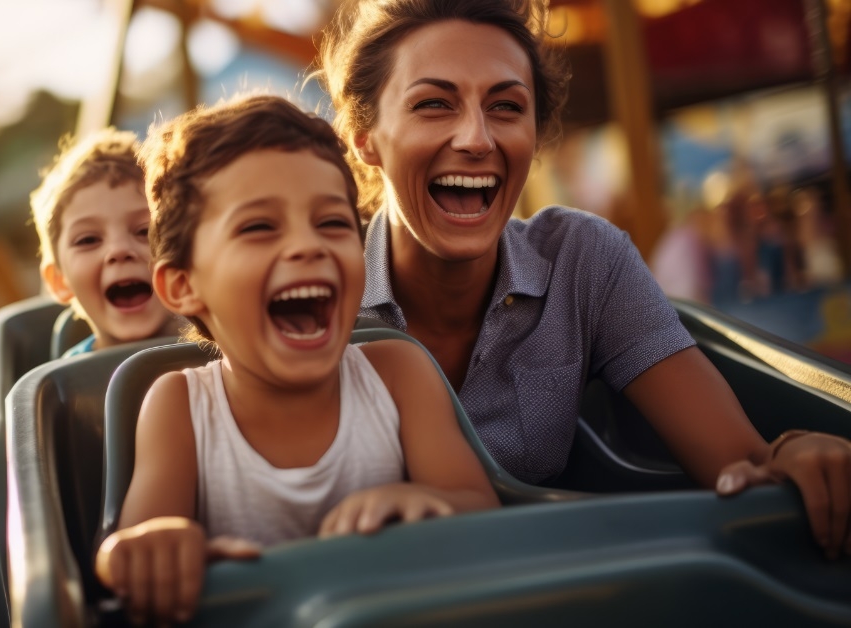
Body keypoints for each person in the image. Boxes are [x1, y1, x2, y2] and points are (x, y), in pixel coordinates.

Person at [316, 0, 851, 557]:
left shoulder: (582, 260)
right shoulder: (316, 289)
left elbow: (741, 462)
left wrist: (796, 454)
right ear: (363, 135)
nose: (477, 138)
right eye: (433, 104)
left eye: (506, 107)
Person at [93, 96, 500, 625]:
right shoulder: (179, 408)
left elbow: (484, 510)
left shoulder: (399, 373)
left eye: (331, 223)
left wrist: (424, 503)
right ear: (183, 285)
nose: (308, 246)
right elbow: (133, 555)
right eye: (259, 228)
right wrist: (146, 551)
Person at [30, 128, 179, 357]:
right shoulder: (68, 378)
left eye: (145, 231)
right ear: (59, 280)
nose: (119, 250)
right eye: (88, 240)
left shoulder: (225, 353)